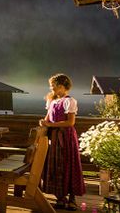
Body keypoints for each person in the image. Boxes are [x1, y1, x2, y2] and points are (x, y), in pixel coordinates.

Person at [39, 73, 86, 210]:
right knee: (56, 165)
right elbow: (47, 119)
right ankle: (60, 197)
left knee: (69, 164)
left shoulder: (69, 101)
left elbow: (70, 123)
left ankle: (72, 199)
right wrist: (43, 122)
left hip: (66, 138)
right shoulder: (52, 101)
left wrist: (51, 125)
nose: (51, 89)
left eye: (53, 86)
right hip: (53, 138)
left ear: (61, 86)